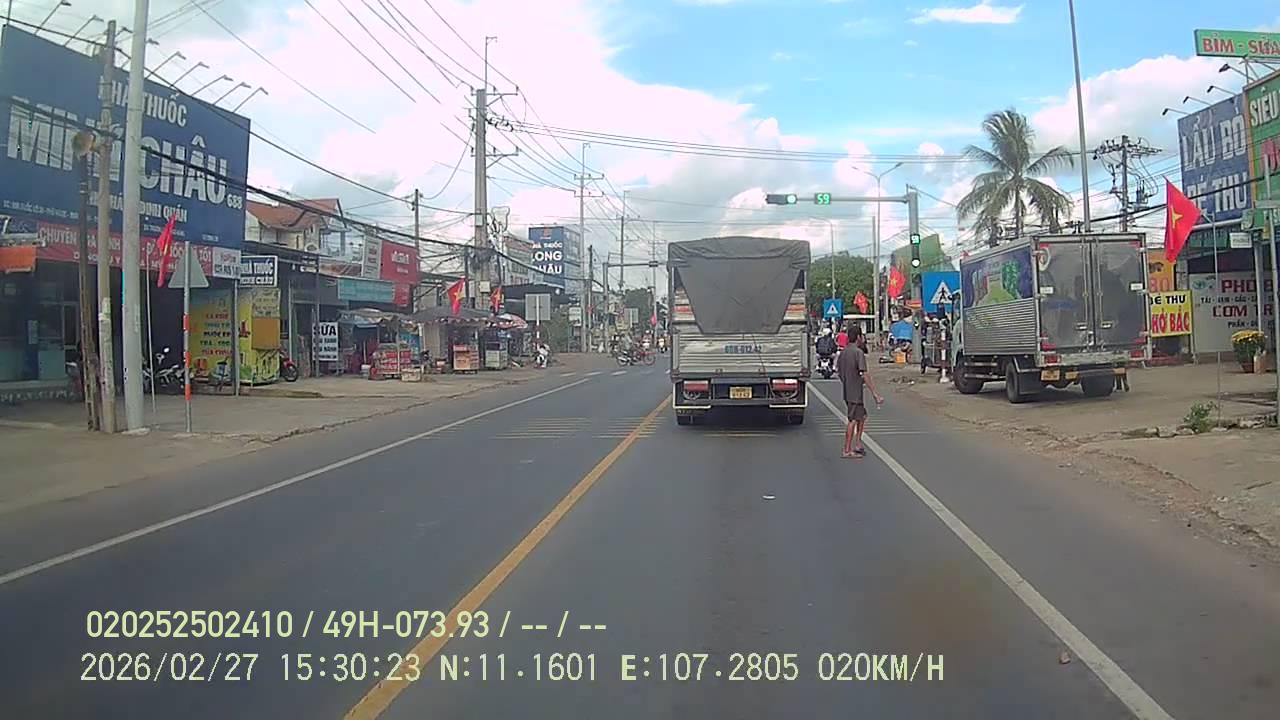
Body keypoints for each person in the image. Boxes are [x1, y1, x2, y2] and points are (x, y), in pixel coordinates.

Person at [837, 324, 883, 459]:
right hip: (854, 393)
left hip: (848, 390)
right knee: (852, 419)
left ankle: (858, 444)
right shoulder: (858, 353)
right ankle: (847, 449)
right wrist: (875, 394)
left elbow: (840, 372)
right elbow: (864, 374)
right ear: (858, 337)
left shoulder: (843, 353)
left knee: (862, 416)